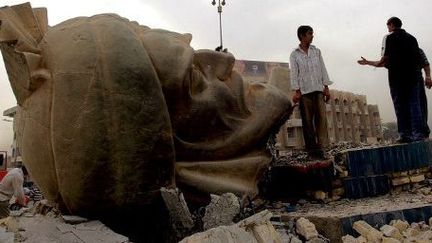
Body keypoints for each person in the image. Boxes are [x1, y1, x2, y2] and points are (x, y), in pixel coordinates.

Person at [358, 17, 425, 143]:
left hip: (397, 78)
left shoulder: (389, 38)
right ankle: (418, 135)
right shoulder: (412, 38)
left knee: (400, 106)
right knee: (415, 105)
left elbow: (384, 60)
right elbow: (419, 58)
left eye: (388, 26)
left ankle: (405, 135)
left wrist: (368, 63)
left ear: (392, 25)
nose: (387, 28)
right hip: (413, 76)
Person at [290, 25, 332, 159]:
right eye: (309, 34)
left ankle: (323, 148)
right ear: (302, 36)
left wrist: (326, 87)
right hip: (305, 93)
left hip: (318, 90)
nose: (312, 36)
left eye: (312, 33)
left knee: (321, 121)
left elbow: (322, 68)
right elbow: (294, 74)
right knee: (307, 123)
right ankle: (312, 151)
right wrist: (297, 91)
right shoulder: (294, 54)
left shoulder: (316, 51)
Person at [419, 48, 431, 138]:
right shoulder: (394, 50)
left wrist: (428, 76)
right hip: (401, 83)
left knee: (420, 105)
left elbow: (425, 63)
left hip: (415, 80)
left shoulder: (415, 48)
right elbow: (385, 63)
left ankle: (424, 131)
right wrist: (369, 62)